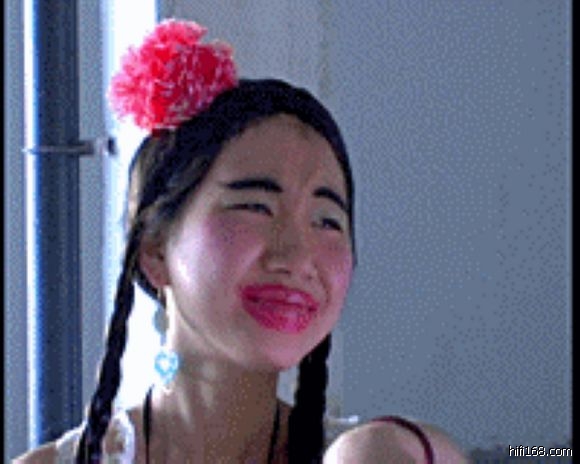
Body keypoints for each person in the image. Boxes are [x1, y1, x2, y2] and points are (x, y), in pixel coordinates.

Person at [15, 19, 468, 463]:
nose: (297, 256)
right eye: (255, 206)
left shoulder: (384, 454)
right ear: (155, 248)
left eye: (327, 221)